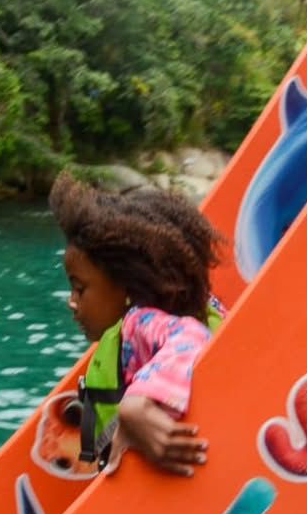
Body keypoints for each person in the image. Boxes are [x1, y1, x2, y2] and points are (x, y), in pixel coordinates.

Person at [48, 172, 225, 477]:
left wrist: (135, 406)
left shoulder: (141, 322)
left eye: (80, 289)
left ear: (128, 288)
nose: (72, 302)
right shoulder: (151, 325)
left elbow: (191, 338)